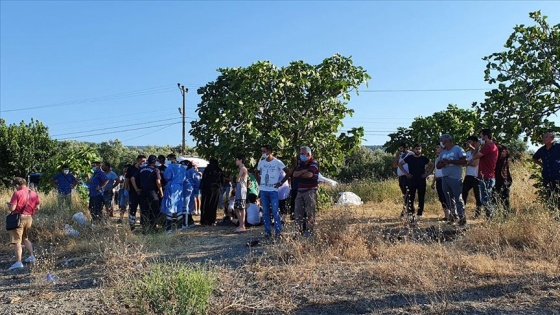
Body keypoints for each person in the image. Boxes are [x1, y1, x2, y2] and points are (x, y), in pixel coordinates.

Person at [6, 177, 40, 271]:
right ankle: (32, 256)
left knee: (17, 241)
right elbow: (38, 207)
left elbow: (12, 208)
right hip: (29, 218)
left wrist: (9, 205)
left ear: (17, 185)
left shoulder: (17, 193)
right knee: (25, 238)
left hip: (19, 218)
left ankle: (18, 262)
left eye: (15, 186)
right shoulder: (34, 193)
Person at [257, 145, 291, 238]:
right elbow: (257, 171)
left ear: (270, 151)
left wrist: (281, 183)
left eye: (264, 151)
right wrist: (260, 182)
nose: (263, 153)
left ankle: (278, 232)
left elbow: (288, 172)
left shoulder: (277, 162)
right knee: (265, 212)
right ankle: (267, 232)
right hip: (264, 190)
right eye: (262, 152)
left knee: (275, 211)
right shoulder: (262, 162)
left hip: (273, 190)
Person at [436, 134, 468, 226]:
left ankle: (462, 218)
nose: (442, 144)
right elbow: (438, 166)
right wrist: (442, 163)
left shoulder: (458, 149)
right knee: (449, 199)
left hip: (455, 178)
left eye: (442, 142)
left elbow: (464, 161)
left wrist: (451, 162)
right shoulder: (443, 153)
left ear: (446, 141)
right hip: (445, 178)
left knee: (458, 198)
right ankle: (453, 217)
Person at [398, 144, 433, 224]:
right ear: (413, 150)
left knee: (421, 197)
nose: (418, 150)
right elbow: (400, 164)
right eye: (416, 149)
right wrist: (406, 173)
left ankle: (419, 214)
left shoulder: (424, 158)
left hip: (421, 180)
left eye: (419, 149)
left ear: (421, 150)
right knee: (410, 197)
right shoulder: (409, 158)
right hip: (411, 180)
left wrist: (427, 174)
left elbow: (432, 165)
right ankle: (410, 214)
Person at [132, 155, 163, 233]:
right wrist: (161, 192)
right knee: (154, 209)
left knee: (144, 210)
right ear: (155, 161)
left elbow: (132, 178)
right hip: (152, 192)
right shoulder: (155, 170)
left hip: (142, 192)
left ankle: (144, 228)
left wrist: (136, 189)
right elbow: (158, 182)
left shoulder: (141, 169)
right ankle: (154, 227)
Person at [472, 129, 499, 218]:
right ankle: (490, 217)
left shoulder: (489, 146)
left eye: (481, 136)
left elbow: (475, 156)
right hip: (488, 175)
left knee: (486, 198)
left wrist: (477, 147)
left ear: (485, 136)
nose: (480, 139)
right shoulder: (492, 146)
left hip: (486, 176)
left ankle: (490, 217)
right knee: (487, 197)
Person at [292, 146, 318, 236]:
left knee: (310, 212)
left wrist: (300, 174)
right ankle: (298, 231)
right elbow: (294, 174)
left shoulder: (313, 163)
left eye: (303, 154)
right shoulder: (300, 165)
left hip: (310, 191)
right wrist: (303, 171)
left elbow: (309, 175)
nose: (301, 155)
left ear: (308, 154)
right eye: (300, 154)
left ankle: (309, 231)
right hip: (300, 191)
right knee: (298, 212)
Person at [532, 131, 560, 217]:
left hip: (558, 176)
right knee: (549, 196)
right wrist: (542, 165)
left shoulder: (558, 147)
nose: (544, 138)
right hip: (547, 176)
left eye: (546, 137)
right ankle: (553, 215)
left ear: (552, 138)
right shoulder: (542, 150)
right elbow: (534, 158)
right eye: (544, 137)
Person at [161, 154, 185, 234]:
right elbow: (184, 178)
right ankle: (180, 227)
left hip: (171, 187)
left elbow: (167, 176)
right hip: (180, 187)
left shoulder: (170, 167)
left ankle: (168, 229)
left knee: (169, 206)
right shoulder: (181, 167)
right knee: (179, 206)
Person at [462, 136, 482, 217]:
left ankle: (478, 214)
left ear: (475, 142)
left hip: (476, 176)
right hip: (468, 175)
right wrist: (468, 162)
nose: (468, 144)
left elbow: (475, 164)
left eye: (470, 142)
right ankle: (462, 212)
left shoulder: (479, 152)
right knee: (463, 192)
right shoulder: (467, 153)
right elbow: (463, 164)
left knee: (478, 195)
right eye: (467, 142)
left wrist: (468, 163)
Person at [199, 158, 223, 226]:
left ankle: (204, 220)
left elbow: (203, 179)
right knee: (213, 204)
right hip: (215, 189)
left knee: (205, 204)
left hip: (206, 189)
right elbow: (222, 180)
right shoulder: (218, 170)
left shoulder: (207, 169)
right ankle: (212, 220)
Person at [125, 155, 146, 230]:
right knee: (132, 208)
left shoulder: (143, 169)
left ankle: (142, 224)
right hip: (133, 192)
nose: (144, 162)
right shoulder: (131, 169)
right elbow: (127, 179)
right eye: (143, 161)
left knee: (143, 209)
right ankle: (132, 225)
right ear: (138, 160)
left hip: (142, 192)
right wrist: (125, 189)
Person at [431, 143, 449, 221]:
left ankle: (449, 216)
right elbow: (436, 172)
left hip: (444, 179)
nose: (436, 149)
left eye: (438, 147)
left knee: (446, 197)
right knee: (441, 198)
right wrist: (433, 182)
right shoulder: (437, 159)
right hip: (438, 180)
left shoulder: (445, 158)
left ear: (442, 148)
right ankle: (446, 215)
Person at [393, 143, 412, 217]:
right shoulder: (401, 156)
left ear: (406, 148)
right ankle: (406, 209)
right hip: (401, 177)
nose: (400, 150)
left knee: (408, 194)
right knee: (405, 194)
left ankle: (407, 210)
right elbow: (395, 165)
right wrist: (397, 156)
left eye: (401, 148)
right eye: (399, 149)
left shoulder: (410, 154)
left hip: (407, 177)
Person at [494, 144, 512, 211]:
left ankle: (503, 214)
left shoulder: (499, 148)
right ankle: (504, 213)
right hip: (504, 177)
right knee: (503, 197)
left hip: (501, 177)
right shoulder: (502, 148)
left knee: (502, 197)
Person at [234, 155, 248, 233]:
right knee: (237, 208)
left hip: (242, 191)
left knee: (241, 208)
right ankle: (241, 224)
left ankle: (242, 225)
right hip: (239, 190)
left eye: (237, 160)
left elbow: (238, 179)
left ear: (241, 160)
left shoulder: (243, 169)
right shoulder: (240, 169)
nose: (236, 162)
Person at [184, 160, 201, 226]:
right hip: (190, 189)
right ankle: (188, 221)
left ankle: (187, 221)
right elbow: (197, 181)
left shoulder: (187, 171)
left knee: (187, 206)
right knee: (188, 206)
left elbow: (197, 181)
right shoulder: (192, 171)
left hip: (188, 189)